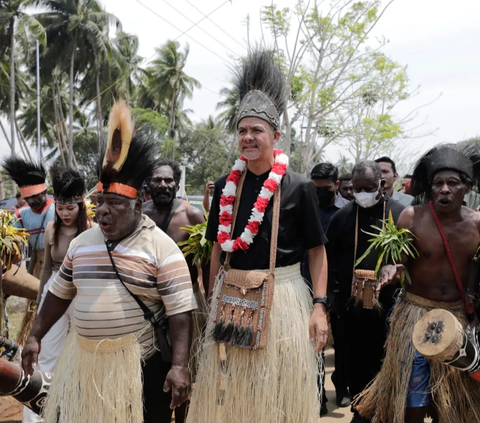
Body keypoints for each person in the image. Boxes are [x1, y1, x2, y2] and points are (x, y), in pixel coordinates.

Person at [21, 101, 197, 423]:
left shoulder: (162, 248)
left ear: (137, 205)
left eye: (113, 202)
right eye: (99, 201)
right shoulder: (81, 244)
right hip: (85, 366)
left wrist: (180, 366)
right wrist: (35, 336)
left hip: (140, 370)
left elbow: (180, 314)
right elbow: (59, 293)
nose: (102, 210)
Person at [186, 49, 328, 423]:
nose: (248, 137)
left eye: (256, 130)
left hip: (284, 298)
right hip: (232, 296)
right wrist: (212, 295)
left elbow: (317, 251)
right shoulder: (225, 186)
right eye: (242, 130)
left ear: (276, 135)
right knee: (232, 393)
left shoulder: (298, 187)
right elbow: (218, 246)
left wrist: (319, 306)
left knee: (280, 393)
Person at [356, 145, 480, 423]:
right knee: (412, 401)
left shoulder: (477, 224)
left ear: (467, 187)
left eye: (453, 183)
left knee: (451, 404)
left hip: (459, 320)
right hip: (416, 318)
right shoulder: (412, 218)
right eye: (438, 183)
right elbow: (398, 264)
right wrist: (390, 270)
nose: (445, 189)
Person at [326, 160, 404, 423]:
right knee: (354, 362)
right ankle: (360, 410)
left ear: (380, 184)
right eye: (358, 189)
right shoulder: (342, 217)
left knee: (384, 363)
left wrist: (396, 270)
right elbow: (330, 260)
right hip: (352, 309)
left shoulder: (399, 214)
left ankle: (382, 413)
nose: (363, 194)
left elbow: (410, 260)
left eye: (369, 188)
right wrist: (331, 298)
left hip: (389, 308)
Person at [22, 164, 94, 423]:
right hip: (55, 292)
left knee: (85, 350)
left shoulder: (93, 231)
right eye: (60, 208)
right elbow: (47, 270)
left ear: (80, 205)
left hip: (83, 292)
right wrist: (40, 302)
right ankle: (38, 415)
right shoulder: (52, 230)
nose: (64, 213)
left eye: (70, 208)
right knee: (46, 351)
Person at [143, 158, 207, 423]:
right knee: (154, 368)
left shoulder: (191, 215)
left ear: (177, 184)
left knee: (187, 368)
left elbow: (208, 261)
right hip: (149, 304)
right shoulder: (139, 214)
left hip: (187, 301)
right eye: (157, 179)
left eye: (168, 180)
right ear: (148, 184)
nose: (163, 184)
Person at [306, 162, 350, 415]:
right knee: (315, 343)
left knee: (342, 344)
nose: (320, 192)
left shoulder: (346, 211)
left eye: (325, 188)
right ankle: (318, 394)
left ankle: (341, 387)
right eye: (315, 188)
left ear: (337, 186)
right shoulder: (305, 207)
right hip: (310, 287)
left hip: (340, 288)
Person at [2, 158, 55, 345]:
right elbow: (9, 239)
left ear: (45, 191)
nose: (32, 201)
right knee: (35, 304)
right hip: (36, 265)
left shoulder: (60, 209)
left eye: (36, 197)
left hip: (58, 263)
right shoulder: (21, 214)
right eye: (28, 198)